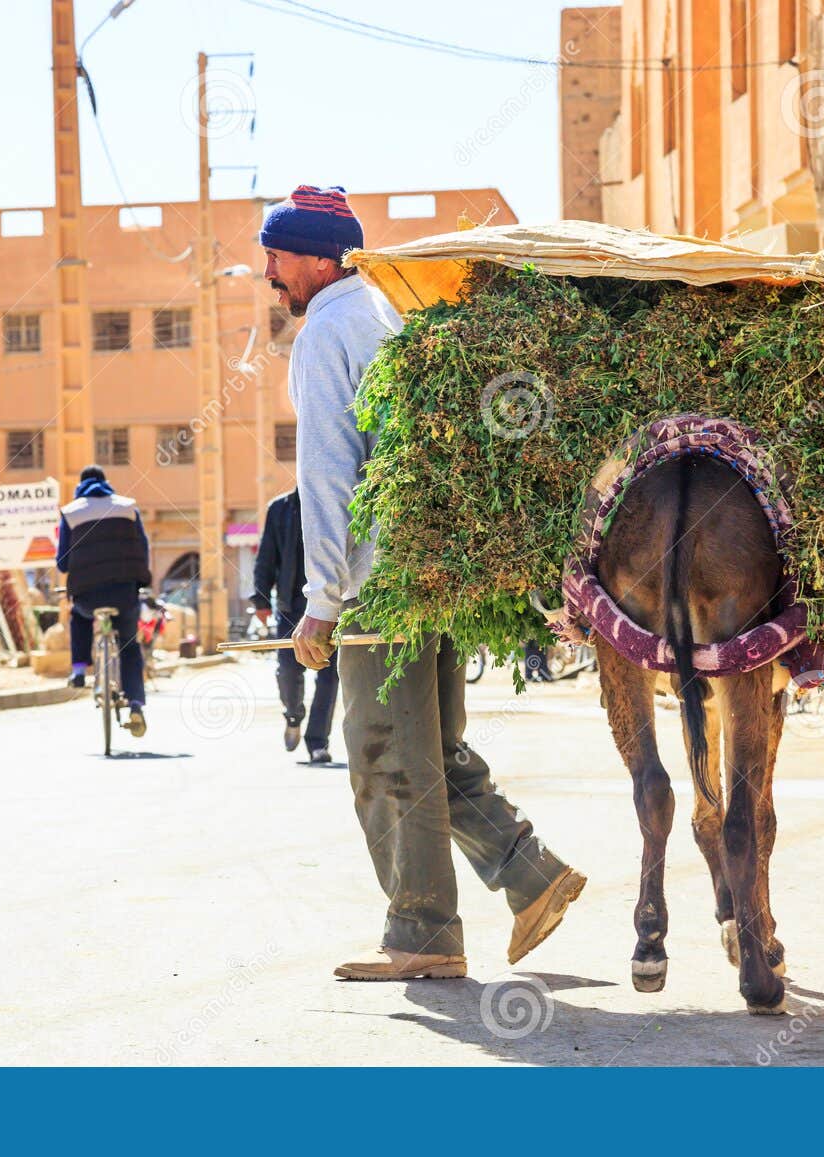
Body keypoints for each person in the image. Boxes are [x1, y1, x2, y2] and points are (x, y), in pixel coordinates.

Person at [264, 184, 587, 982]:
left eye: (275, 255)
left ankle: (423, 932)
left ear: (313, 258)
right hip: (430, 573)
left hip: (378, 585)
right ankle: (529, 874)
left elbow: (331, 473)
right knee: (432, 748)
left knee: (383, 756)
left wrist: (320, 601)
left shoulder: (326, 329)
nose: (267, 271)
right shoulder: (386, 312)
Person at [57, 465, 150, 738]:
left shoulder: (70, 512)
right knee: (130, 646)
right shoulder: (128, 508)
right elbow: (143, 549)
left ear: (80, 485)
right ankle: (135, 703)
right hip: (124, 593)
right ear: (106, 483)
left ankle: (77, 670)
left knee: (80, 618)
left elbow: (63, 563)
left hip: (87, 595)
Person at [251, 487, 338, 765]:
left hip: (331, 606)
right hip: (291, 605)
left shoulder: (335, 501)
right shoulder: (281, 508)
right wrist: (261, 600)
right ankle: (293, 713)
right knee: (288, 669)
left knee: (328, 675)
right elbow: (266, 557)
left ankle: (317, 743)